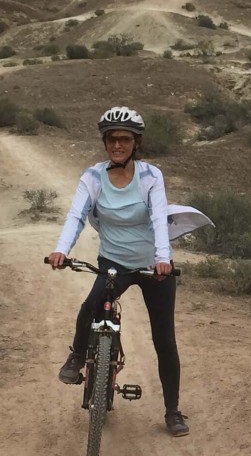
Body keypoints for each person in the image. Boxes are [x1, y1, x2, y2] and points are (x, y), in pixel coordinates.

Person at [47, 105, 189, 437]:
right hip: (114, 261)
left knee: (164, 340)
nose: (117, 145)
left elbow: (158, 220)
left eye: (124, 139)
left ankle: (173, 411)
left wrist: (162, 259)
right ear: (105, 142)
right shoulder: (92, 177)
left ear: (136, 142)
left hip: (153, 264)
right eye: (111, 139)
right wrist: (61, 250)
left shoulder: (151, 176)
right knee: (90, 307)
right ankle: (78, 355)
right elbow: (76, 216)